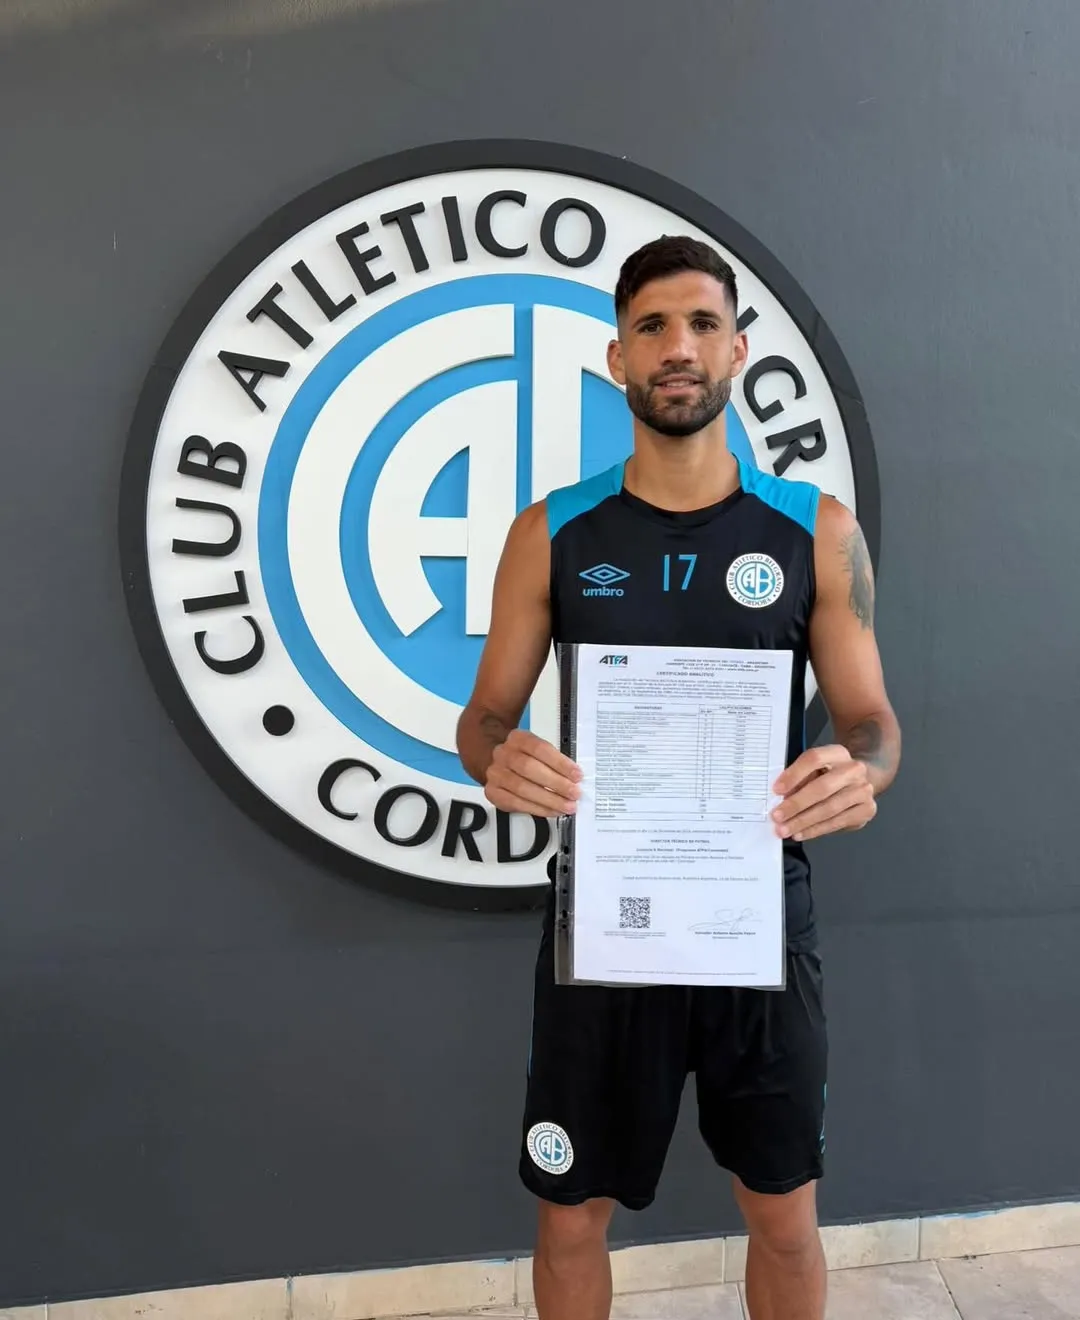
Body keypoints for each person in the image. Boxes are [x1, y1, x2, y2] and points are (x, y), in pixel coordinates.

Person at [456, 235, 901, 1320]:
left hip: (756, 918)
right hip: (604, 928)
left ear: (739, 351)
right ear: (616, 358)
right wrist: (495, 759)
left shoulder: (814, 533)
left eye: (702, 324)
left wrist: (864, 773)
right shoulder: (552, 532)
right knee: (569, 1216)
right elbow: (483, 719)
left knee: (786, 1215)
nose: (678, 347)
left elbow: (873, 721)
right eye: (652, 326)